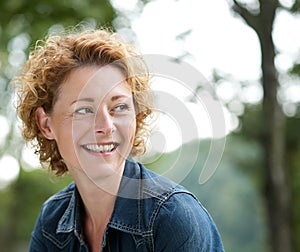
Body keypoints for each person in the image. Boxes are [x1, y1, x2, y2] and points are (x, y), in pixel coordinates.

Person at [14, 27, 224, 251]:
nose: (105, 126)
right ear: (46, 124)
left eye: (120, 107)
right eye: (84, 110)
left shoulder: (174, 218)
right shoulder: (52, 222)